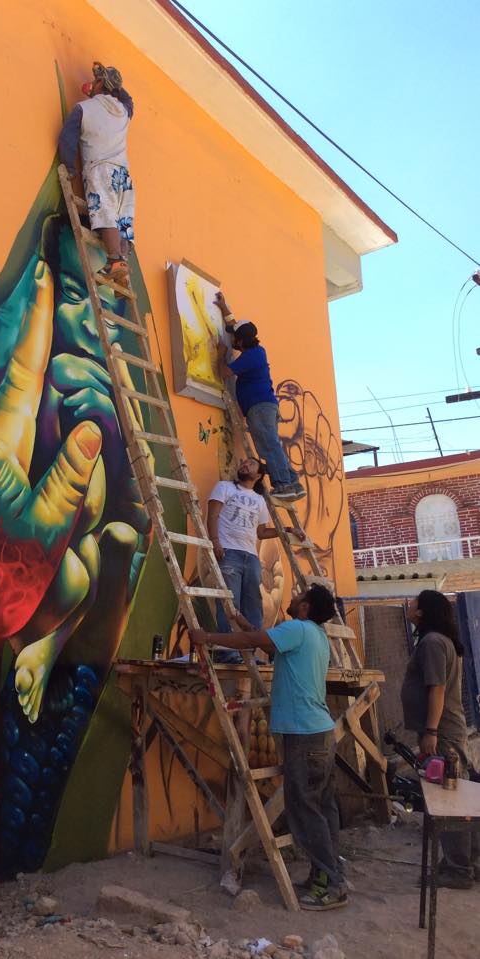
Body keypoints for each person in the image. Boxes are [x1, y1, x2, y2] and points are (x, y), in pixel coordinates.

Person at [191, 583, 347, 911]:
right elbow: (266, 643)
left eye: (300, 595)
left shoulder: (297, 629)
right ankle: (327, 875)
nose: (294, 595)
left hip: (304, 734)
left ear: (305, 607)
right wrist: (247, 625)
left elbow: (253, 642)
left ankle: (331, 885)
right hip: (319, 732)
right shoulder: (315, 635)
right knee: (322, 808)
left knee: (305, 811)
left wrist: (207, 638)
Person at [400, 589, 480, 888]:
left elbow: (437, 689)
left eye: (414, 602)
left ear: (422, 611)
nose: (410, 605)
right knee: (460, 796)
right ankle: (466, 861)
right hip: (448, 729)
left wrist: (431, 731)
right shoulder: (440, 641)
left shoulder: (432, 642)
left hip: (443, 733)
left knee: (449, 800)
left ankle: (458, 869)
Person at [214, 291, 305, 502]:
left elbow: (225, 372)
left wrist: (220, 354)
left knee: (268, 447)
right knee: (272, 445)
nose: (232, 340)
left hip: (259, 407)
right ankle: (293, 482)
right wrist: (224, 307)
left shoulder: (251, 357)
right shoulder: (256, 350)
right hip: (266, 407)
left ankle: (283, 485)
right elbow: (234, 325)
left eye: (235, 338)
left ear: (240, 341)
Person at [208, 457, 297, 661]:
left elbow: (261, 532)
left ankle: (250, 654)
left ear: (258, 475)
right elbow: (212, 516)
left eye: (251, 464)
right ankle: (226, 653)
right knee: (229, 604)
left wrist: (287, 530)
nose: (245, 465)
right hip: (228, 552)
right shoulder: (224, 487)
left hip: (251, 557)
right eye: (244, 463)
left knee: (253, 607)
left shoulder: (259, 500)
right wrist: (215, 541)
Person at [58, 61, 135, 283]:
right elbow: (129, 100)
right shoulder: (123, 111)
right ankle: (122, 266)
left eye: (97, 80)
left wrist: (69, 167)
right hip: (123, 176)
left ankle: (115, 261)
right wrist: (113, 83)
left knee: (106, 215)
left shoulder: (84, 109)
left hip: (100, 169)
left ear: (100, 84)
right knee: (122, 221)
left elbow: (67, 139)